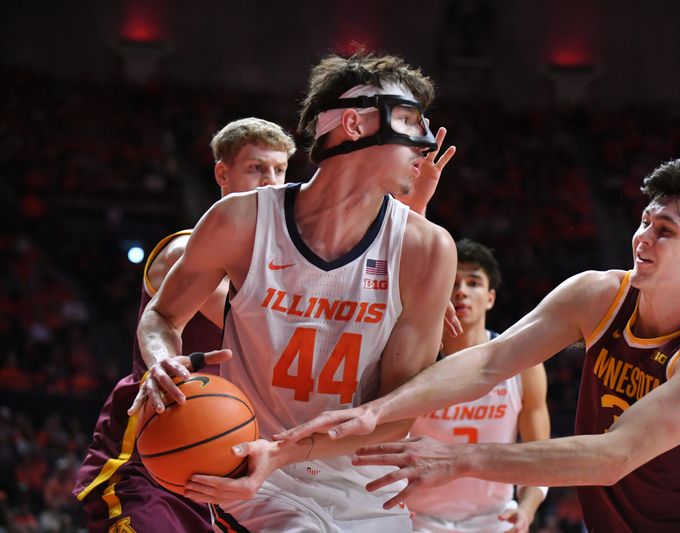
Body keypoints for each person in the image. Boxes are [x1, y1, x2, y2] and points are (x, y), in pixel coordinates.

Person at [280, 157, 680, 532]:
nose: (642, 238)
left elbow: (614, 455)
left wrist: (460, 459)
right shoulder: (599, 296)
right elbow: (490, 361)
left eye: (666, 232)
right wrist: (381, 410)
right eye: (644, 221)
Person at [131, 52, 457, 533]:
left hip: (362, 485)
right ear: (354, 124)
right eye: (409, 122)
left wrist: (293, 448)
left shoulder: (428, 248)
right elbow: (160, 318)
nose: (425, 141)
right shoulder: (239, 221)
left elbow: (395, 415)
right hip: (252, 471)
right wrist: (162, 357)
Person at [73, 118, 297, 532]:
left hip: (226, 468)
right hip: (156, 455)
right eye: (257, 169)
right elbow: (264, 327)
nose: (271, 183)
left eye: (280, 170)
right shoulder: (187, 249)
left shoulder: (283, 269)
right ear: (222, 174)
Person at [406, 238, 550, 533]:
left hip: (495, 520)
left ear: (490, 297)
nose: (461, 291)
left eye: (473, 283)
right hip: (414, 518)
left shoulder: (523, 364)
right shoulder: (412, 361)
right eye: (453, 282)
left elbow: (539, 454)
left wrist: (526, 510)